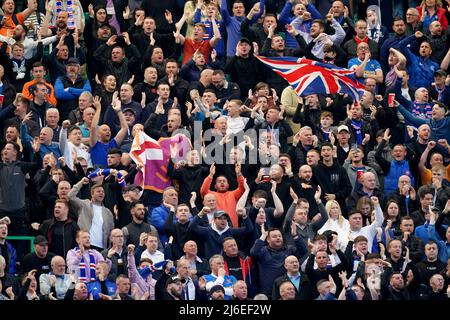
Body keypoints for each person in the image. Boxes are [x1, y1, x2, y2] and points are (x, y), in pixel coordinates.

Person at [250, 226, 307, 298]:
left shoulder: (289, 249)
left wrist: (295, 235)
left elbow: (303, 251)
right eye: (274, 236)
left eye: (279, 236)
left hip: (287, 293)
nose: (278, 238)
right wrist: (263, 235)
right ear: (268, 239)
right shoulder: (263, 251)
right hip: (268, 293)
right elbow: (253, 253)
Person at [68, 177, 114, 251]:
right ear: (92, 194)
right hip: (84, 245)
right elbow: (70, 196)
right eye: (98, 191)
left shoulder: (108, 212)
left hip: (102, 248)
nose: (101, 193)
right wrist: (81, 183)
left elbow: (111, 231)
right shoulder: (84, 204)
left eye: (103, 191)